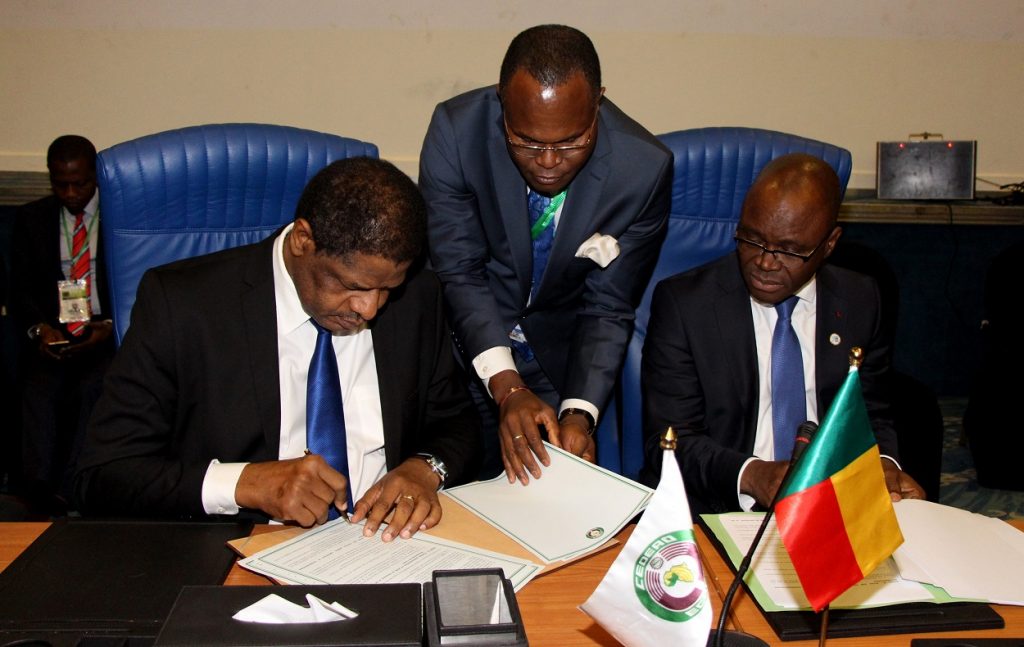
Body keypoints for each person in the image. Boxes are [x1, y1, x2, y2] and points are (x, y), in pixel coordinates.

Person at [74, 157, 480, 540]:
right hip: (240, 549)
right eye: (352, 286)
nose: (369, 308)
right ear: (303, 240)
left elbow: (457, 422)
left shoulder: (417, 297)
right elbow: (104, 474)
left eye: (387, 289)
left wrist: (425, 469)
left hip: (385, 546)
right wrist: (244, 483)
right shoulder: (183, 306)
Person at [420, 24, 672, 484]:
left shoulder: (643, 170)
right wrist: (507, 386)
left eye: (572, 141)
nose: (550, 161)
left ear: (598, 101)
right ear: (502, 101)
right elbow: (460, 272)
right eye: (527, 142)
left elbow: (609, 305)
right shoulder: (456, 133)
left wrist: (579, 413)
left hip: (558, 364)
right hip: (458, 355)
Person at [641, 153, 924, 514]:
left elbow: (871, 412)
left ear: (829, 244)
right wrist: (753, 475)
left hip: (829, 505)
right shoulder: (685, 305)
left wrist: (885, 462)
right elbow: (669, 439)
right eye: (752, 239)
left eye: (790, 250)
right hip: (720, 507)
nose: (765, 262)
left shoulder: (861, 299)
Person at [10, 135, 113, 515]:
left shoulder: (121, 218)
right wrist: (41, 329)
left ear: (96, 177)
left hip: (105, 333)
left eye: (80, 183)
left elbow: (140, 282)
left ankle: (76, 488)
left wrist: (110, 326)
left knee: (94, 387)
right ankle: (36, 491)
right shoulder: (32, 219)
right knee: (37, 389)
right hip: (54, 334)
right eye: (60, 183)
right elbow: (19, 289)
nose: (71, 193)